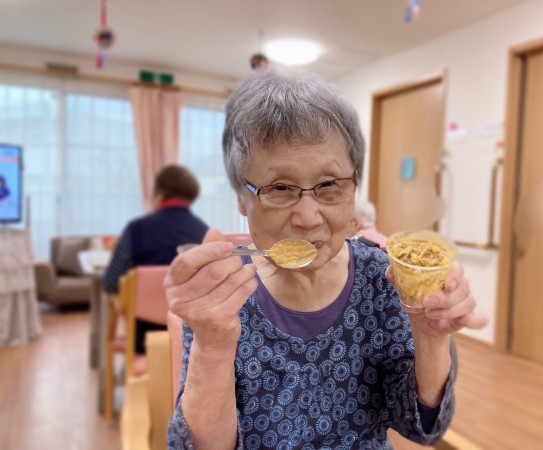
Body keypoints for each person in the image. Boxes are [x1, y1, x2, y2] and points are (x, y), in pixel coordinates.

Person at [165, 68, 487, 449]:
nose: (308, 217)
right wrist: (213, 347)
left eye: (329, 185)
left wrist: (431, 337)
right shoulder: (225, 294)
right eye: (280, 188)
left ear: (354, 189)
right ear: (242, 198)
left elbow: (421, 427)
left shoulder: (381, 277)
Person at [101, 164, 209, 354]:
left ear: (159, 193)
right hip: (189, 339)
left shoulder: (136, 229)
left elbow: (110, 282)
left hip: (142, 340)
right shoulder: (204, 232)